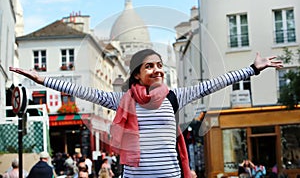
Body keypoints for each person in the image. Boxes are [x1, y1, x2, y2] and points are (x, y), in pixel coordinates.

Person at [9, 49, 283, 178]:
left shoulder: (174, 96)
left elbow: (212, 84)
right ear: (138, 74)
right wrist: (42, 79)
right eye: (150, 66)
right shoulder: (123, 100)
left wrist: (252, 69)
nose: (158, 69)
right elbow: (83, 91)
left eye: (160, 65)